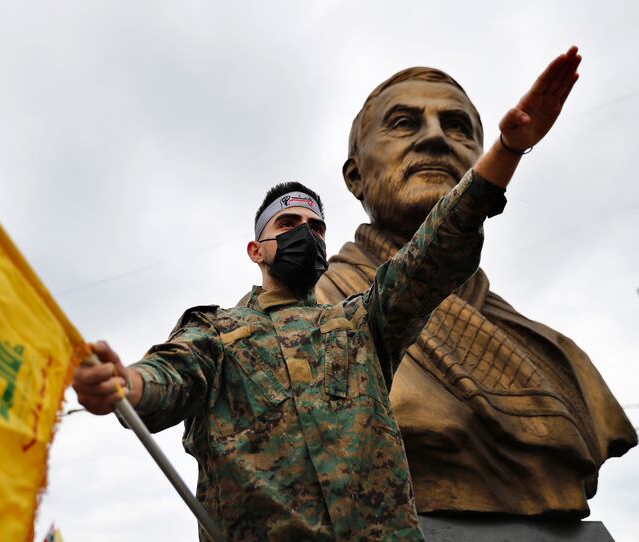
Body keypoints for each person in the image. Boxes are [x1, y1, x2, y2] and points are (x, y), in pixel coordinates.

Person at [74, 47, 583, 541]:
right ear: (256, 249)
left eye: (315, 227)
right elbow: (166, 378)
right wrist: (122, 384)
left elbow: (435, 252)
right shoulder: (216, 333)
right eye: (289, 223)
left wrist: (507, 151)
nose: (305, 234)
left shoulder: (362, 325)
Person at [316, 51, 637, 515]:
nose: (435, 140)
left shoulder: (558, 358)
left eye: (457, 127)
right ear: (355, 176)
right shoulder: (311, 318)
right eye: (405, 123)